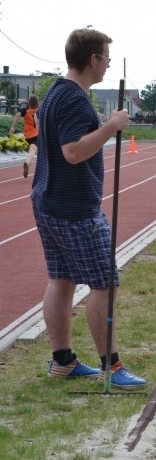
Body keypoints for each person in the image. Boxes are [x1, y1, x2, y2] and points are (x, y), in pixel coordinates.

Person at [31, 28, 147, 388]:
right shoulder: (74, 100)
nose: (108, 65)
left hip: (50, 201)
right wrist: (112, 125)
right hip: (74, 209)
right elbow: (73, 152)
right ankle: (110, 366)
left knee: (62, 278)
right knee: (104, 283)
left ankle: (62, 360)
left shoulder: (55, 93)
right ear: (92, 60)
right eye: (106, 58)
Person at [9, 95, 39, 178]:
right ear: (37, 104)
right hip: (36, 135)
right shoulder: (39, 111)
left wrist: (13, 127)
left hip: (27, 136)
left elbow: (17, 115)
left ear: (29, 103)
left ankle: (31, 164)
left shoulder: (25, 111)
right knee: (33, 151)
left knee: (36, 151)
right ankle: (28, 163)